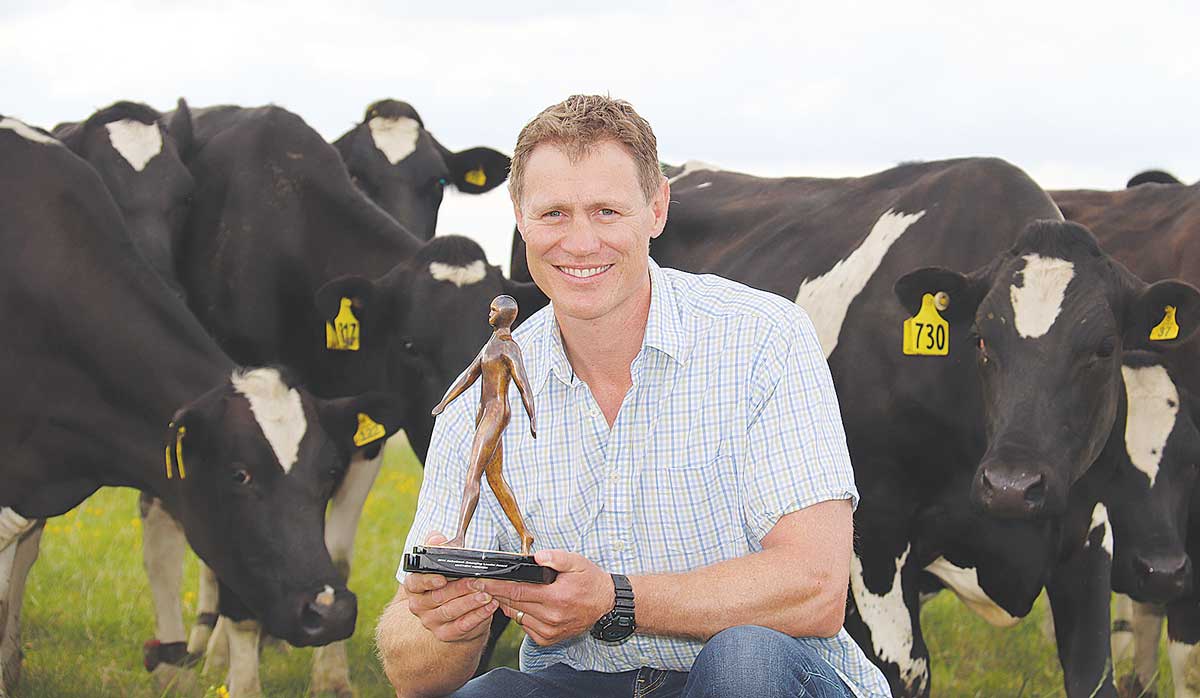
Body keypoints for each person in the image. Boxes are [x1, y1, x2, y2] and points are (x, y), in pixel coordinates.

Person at [376, 95, 890, 698]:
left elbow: (816, 586)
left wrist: (615, 598)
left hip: (767, 677)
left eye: (607, 210)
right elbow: (413, 674)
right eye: (554, 214)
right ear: (518, 217)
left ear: (657, 208)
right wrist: (446, 624)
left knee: (744, 660)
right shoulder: (481, 401)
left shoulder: (763, 339)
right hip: (587, 683)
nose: (582, 241)